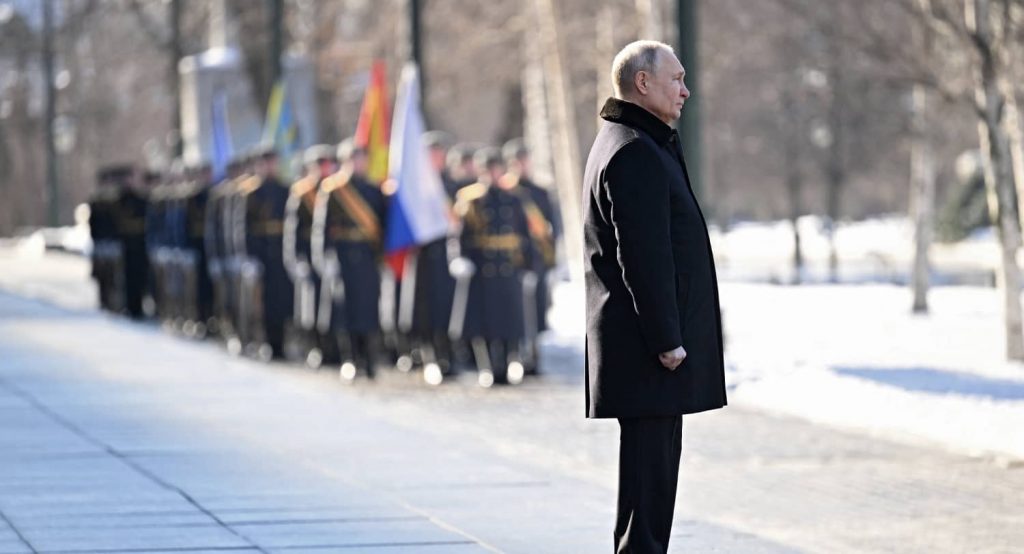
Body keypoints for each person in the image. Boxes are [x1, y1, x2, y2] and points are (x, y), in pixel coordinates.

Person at [582, 40, 727, 553]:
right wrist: (667, 338)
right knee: (649, 490)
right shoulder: (633, 150)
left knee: (649, 489)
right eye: (676, 80)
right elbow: (643, 258)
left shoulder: (633, 141)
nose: (686, 91)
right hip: (650, 353)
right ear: (643, 83)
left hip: (644, 351)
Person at [451, 147, 535, 387]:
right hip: (483, 268)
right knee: (484, 323)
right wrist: (459, 258)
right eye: (489, 170)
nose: (494, 175)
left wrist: (530, 266)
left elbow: (524, 235)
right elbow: (459, 234)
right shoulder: (470, 200)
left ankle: (508, 365)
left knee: (510, 322)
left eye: (497, 169)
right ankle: (487, 367)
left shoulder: (514, 199)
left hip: (508, 267)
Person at [312, 139, 387, 380]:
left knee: (369, 311)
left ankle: (370, 360)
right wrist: (326, 258)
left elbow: (383, 227)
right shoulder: (333, 191)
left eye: (362, 158)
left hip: (367, 257)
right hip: (343, 257)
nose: (358, 163)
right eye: (353, 159)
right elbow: (321, 230)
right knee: (347, 311)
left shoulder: (375, 190)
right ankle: (351, 358)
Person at [502, 138, 559, 375]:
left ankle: (534, 355)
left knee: (536, 309)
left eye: (525, 160)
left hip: (538, 259)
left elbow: (553, 227)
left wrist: (553, 261)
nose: (523, 165)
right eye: (518, 161)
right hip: (512, 259)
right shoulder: (505, 192)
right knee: (512, 309)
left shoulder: (540, 192)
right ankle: (514, 354)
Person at [237, 147, 293, 359]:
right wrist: (249, 256)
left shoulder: (286, 189)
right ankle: (267, 342)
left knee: (283, 299)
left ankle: (282, 343)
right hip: (262, 252)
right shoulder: (251, 192)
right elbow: (244, 227)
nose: (270, 167)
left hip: (282, 250)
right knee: (264, 302)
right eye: (266, 162)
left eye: (273, 162)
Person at [284, 144, 338, 367]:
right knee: (311, 305)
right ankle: (315, 347)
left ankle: (334, 348)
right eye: (320, 164)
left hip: (332, 252)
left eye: (328, 163)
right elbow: (293, 231)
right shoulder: (302, 192)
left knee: (333, 304)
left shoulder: (338, 190)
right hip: (308, 253)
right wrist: (295, 259)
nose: (325, 168)